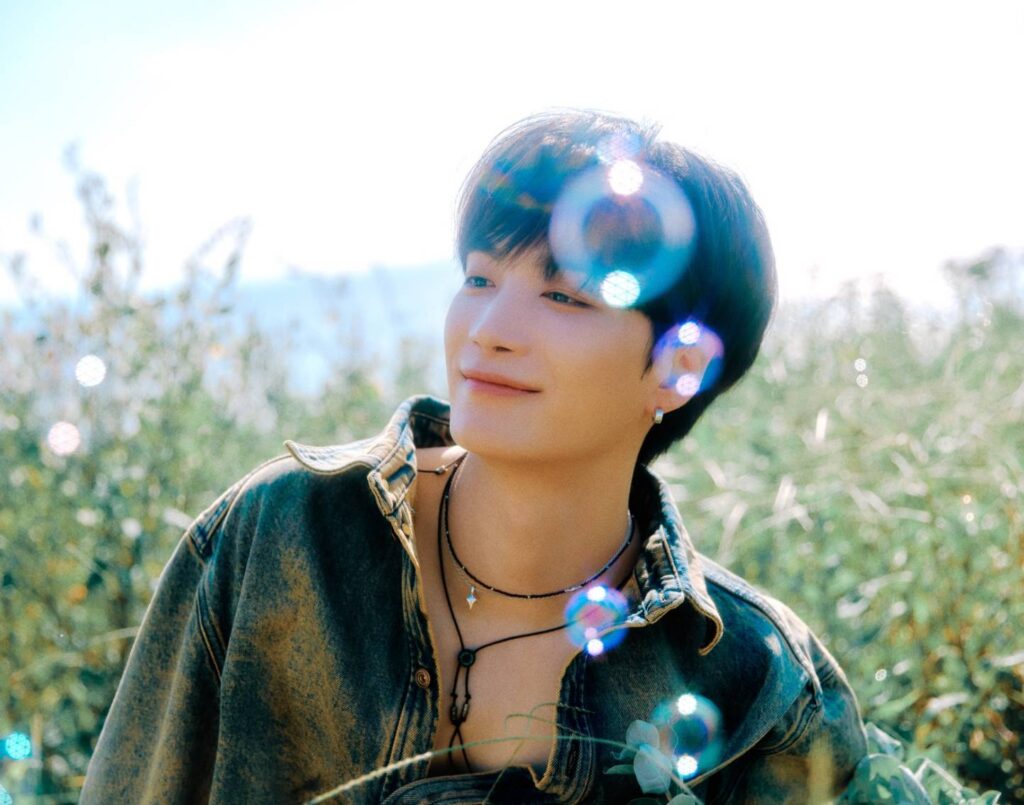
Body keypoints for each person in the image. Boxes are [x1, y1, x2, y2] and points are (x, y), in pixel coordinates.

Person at [81, 110, 868, 804]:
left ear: (678, 367)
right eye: (480, 277)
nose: (488, 329)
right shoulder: (278, 535)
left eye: (565, 296)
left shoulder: (754, 680)